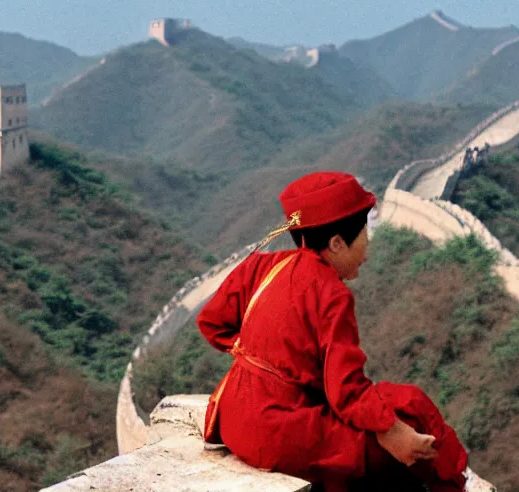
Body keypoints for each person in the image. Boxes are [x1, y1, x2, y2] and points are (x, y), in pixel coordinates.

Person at [198, 171, 469, 491]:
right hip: (275, 432)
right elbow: (347, 391)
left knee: (403, 403)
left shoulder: (263, 265)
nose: (368, 245)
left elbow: (212, 322)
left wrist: (265, 358)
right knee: (406, 418)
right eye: (365, 233)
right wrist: (392, 430)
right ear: (337, 243)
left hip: (232, 417)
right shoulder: (331, 293)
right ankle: (453, 484)